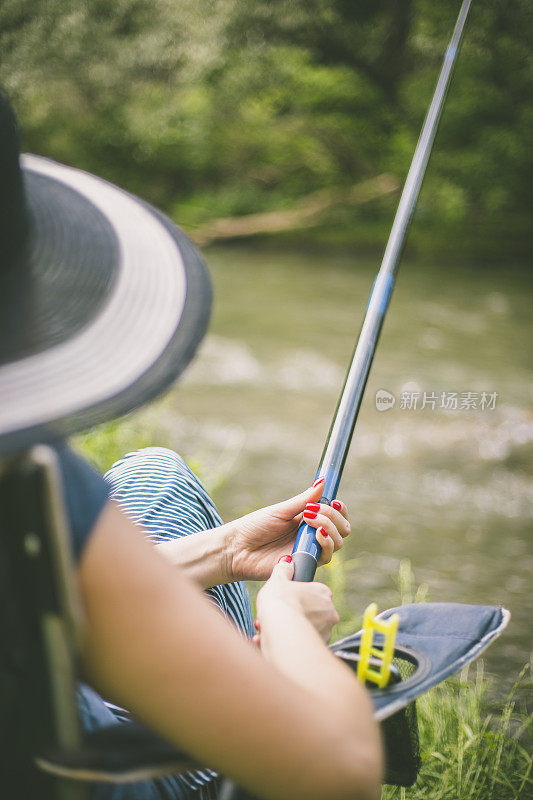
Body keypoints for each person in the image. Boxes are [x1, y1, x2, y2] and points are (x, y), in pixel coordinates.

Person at [0, 90, 382, 800]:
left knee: (153, 471)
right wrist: (282, 621)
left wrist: (225, 550)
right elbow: (342, 775)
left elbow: (39, 593)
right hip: (99, 769)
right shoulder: (24, 476)